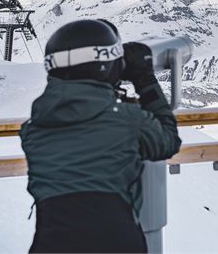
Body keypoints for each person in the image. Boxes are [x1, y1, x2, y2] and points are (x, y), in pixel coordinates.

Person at [20, 19, 181, 253]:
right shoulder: (128, 120)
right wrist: (144, 78)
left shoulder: (33, 129)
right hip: (116, 241)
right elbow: (167, 142)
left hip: (51, 244)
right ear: (107, 66)